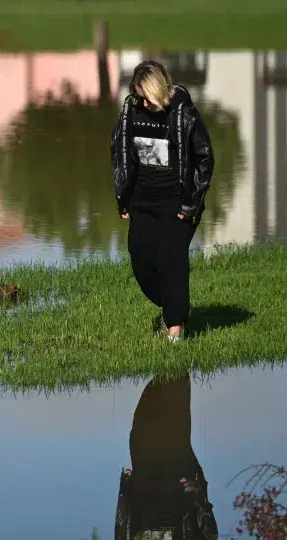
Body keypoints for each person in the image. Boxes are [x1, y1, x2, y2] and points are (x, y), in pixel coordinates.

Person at [110, 60, 215, 343]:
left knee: (171, 262)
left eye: (146, 96)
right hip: (142, 203)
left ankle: (175, 331)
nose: (142, 102)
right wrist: (123, 198)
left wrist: (192, 204)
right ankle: (177, 305)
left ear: (157, 90)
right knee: (142, 265)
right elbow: (119, 154)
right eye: (138, 96)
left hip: (177, 204)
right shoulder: (131, 112)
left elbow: (205, 158)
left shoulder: (183, 114)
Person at [114, 374, 218, 540]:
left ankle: (170, 369)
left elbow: (122, 530)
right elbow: (208, 532)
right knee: (172, 422)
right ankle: (177, 369)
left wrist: (125, 489)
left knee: (143, 422)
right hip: (176, 486)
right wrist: (196, 490)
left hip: (144, 484)